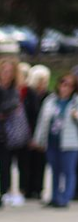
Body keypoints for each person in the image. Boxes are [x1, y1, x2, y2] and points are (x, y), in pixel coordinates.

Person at [32, 72, 78, 208]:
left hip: (70, 143)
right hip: (52, 141)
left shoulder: (75, 102)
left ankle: (65, 198)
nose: (65, 88)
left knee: (68, 171)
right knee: (54, 171)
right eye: (63, 85)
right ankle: (54, 197)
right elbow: (42, 121)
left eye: (69, 86)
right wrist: (38, 139)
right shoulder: (50, 100)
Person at [0, 56, 27, 207]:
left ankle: (15, 191)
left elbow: (7, 107)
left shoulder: (15, 91)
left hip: (12, 132)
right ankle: (2, 192)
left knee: (15, 163)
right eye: (4, 70)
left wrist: (1, 111)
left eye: (9, 71)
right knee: (2, 164)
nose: (6, 73)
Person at [21, 64, 51, 202]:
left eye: (45, 81)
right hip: (28, 132)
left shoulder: (49, 96)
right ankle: (27, 189)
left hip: (42, 135)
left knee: (40, 164)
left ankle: (38, 189)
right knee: (27, 164)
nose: (43, 85)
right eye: (40, 81)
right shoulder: (28, 95)